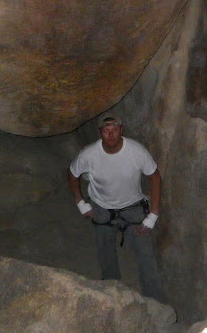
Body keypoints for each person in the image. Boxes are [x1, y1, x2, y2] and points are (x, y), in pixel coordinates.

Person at [68, 114, 165, 302]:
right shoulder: (89, 155)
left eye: (115, 129)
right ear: (100, 133)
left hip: (133, 206)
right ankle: (111, 297)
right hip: (102, 207)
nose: (111, 134)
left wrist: (153, 215)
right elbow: (72, 174)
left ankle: (156, 303)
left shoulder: (136, 151)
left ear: (122, 130)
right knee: (105, 253)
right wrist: (81, 204)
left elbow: (155, 178)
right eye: (106, 130)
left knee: (146, 255)